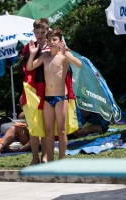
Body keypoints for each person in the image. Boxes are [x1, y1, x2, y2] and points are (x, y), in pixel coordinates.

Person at [26, 29, 81, 161]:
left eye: (54, 40)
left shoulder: (64, 56)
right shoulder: (44, 57)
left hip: (61, 98)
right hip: (47, 99)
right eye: (49, 40)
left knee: (61, 131)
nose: (51, 42)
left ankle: (61, 160)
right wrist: (32, 54)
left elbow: (79, 64)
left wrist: (66, 54)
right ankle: (50, 160)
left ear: (60, 41)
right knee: (48, 131)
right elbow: (29, 68)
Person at [21, 18, 50, 165]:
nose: (40, 34)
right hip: (32, 88)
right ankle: (34, 158)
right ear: (33, 32)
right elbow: (25, 70)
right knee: (33, 124)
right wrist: (23, 93)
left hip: (48, 88)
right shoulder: (28, 47)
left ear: (47, 31)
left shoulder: (52, 46)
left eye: (43, 32)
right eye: (37, 32)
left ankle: (44, 157)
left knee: (44, 124)